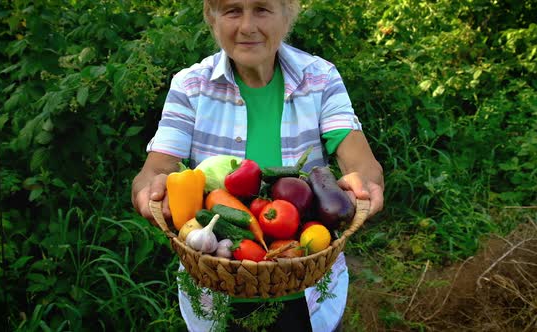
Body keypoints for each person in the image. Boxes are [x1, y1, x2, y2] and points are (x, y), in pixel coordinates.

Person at [131, 0, 384, 331]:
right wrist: (150, 191)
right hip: (214, 291)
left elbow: (362, 163)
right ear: (212, 18)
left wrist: (363, 183)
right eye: (233, 10)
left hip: (309, 291)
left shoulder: (320, 79)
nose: (247, 26)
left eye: (262, 9)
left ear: (287, 14)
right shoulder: (191, 86)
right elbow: (155, 171)